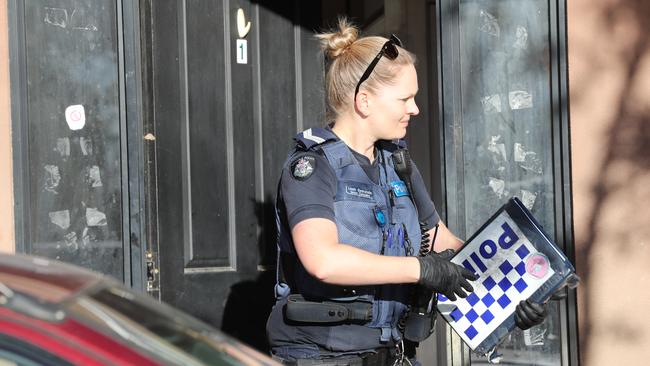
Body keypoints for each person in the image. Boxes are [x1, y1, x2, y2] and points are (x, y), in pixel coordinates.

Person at [266, 18, 548, 366]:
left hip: (395, 354)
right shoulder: (312, 167)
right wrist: (420, 269)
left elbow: (442, 243)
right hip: (324, 356)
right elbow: (323, 260)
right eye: (405, 98)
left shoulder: (397, 164)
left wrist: (513, 290)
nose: (415, 109)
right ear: (364, 101)